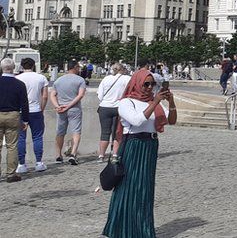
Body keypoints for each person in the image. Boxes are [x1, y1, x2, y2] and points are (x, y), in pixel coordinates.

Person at [102, 69, 178, 237]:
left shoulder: (153, 102)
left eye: (153, 84)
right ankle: (122, 228)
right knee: (128, 186)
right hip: (133, 145)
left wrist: (171, 102)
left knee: (145, 188)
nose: (150, 88)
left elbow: (171, 120)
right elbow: (137, 121)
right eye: (146, 84)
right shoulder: (127, 102)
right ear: (137, 83)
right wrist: (155, 102)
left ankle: (143, 229)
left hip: (150, 146)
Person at [50, 60, 87, 165]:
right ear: (75, 67)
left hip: (61, 108)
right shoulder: (80, 80)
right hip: (74, 109)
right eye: (78, 67)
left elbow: (52, 95)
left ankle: (58, 155)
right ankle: (73, 154)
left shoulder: (58, 80)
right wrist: (69, 105)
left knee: (60, 132)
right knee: (76, 131)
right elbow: (80, 95)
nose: (79, 69)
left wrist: (57, 106)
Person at [15, 57, 48, 174]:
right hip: (35, 110)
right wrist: (42, 109)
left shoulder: (17, 78)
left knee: (21, 138)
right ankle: (39, 162)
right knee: (37, 137)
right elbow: (44, 96)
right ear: (34, 66)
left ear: (22, 66)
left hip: (20, 111)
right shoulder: (41, 78)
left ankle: (21, 164)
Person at [0, 58, 30, 182]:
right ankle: (11, 174)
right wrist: (26, 120)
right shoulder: (19, 84)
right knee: (12, 146)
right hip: (13, 115)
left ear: (1, 68)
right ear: (13, 68)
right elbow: (24, 104)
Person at [96, 64, 131, 162]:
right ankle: (115, 154)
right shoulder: (126, 79)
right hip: (118, 107)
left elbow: (99, 95)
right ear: (122, 69)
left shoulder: (106, 79)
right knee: (117, 132)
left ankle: (101, 155)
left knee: (104, 132)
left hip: (104, 107)